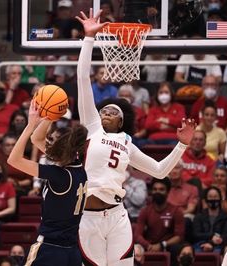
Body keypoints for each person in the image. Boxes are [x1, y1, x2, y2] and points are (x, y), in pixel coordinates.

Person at [75, 9, 195, 265]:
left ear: (121, 120)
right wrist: (89, 39)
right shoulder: (92, 127)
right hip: (88, 215)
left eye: (111, 111)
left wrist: (182, 145)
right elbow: (82, 78)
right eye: (103, 109)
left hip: (118, 215)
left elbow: (161, 171)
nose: (104, 112)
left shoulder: (128, 142)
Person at [7, 101, 88, 266]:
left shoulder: (59, 176)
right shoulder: (78, 167)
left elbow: (13, 159)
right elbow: (37, 139)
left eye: (51, 140)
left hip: (49, 250)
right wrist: (50, 116)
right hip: (71, 252)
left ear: (59, 149)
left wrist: (30, 125)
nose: (47, 141)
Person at [135, 178, 184, 253]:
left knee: (178, 248)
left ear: (167, 192)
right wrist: (148, 246)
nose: (157, 192)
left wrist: (161, 245)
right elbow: (137, 235)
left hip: (168, 246)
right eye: (155, 189)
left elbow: (179, 237)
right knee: (136, 249)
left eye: (161, 189)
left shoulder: (176, 211)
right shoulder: (145, 211)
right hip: (148, 246)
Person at [193, 186, 227, 253]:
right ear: (206, 199)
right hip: (201, 244)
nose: (213, 199)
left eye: (215, 197)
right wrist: (211, 236)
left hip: (220, 245)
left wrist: (211, 243)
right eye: (210, 197)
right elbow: (196, 234)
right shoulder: (199, 216)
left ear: (220, 198)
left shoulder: (226, 217)